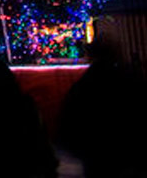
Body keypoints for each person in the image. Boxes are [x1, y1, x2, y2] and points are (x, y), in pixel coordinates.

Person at [58, 18, 147, 178]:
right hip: (128, 154)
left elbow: (68, 124)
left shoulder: (83, 86)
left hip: (97, 156)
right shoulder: (129, 79)